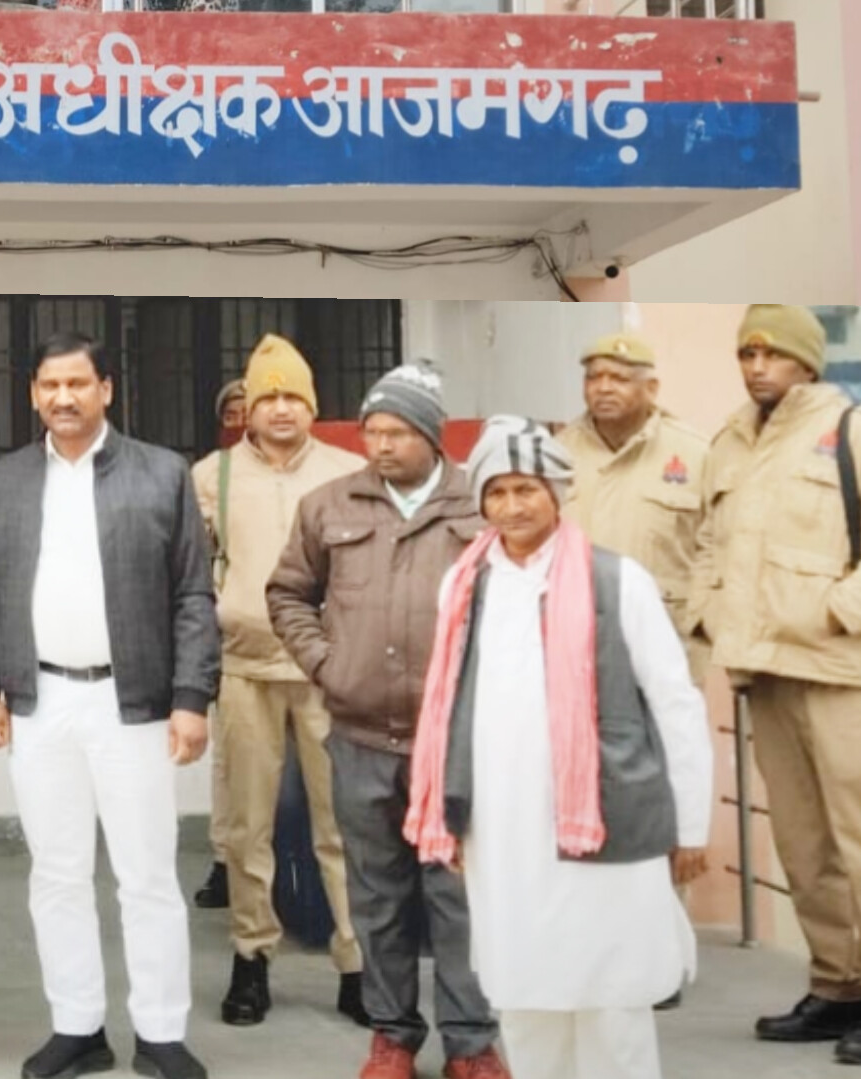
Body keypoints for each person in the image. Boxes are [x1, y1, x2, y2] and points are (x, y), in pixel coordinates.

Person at [405, 416, 714, 1079]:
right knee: (523, 996)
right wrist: (450, 817)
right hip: (502, 830)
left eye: (526, 489)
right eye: (497, 492)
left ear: (556, 492)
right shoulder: (464, 586)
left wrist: (690, 824)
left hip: (605, 820)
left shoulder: (617, 580)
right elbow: (450, 706)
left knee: (612, 999)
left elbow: (676, 703)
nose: (511, 507)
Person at [691, 305, 861, 1066]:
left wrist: (840, 610)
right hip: (764, 671)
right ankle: (838, 987)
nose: (756, 367)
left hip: (840, 670)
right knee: (803, 845)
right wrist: (709, 613)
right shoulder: (728, 442)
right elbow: (707, 543)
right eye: (746, 354)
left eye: (772, 353)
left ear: (807, 360)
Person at [0, 332, 219, 1079]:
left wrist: (192, 696)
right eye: (49, 385)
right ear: (33, 394)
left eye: (77, 383)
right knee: (56, 873)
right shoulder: (9, 478)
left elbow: (193, 593)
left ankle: (161, 1031)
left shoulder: (160, 472)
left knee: (147, 874)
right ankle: (77, 1026)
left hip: (132, 702)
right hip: (40, 702)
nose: (63, 398)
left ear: (107, 389)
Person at [267, 362, 507, 1079]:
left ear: (431, 435)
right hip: (362, 735)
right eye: (372, 431)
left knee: (459, 894)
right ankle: (393, 1035)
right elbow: (287, 593)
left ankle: (472, 1042)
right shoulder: (328, 505)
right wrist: (328, 664)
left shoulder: (481, 504)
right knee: (378, 896)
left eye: (397, 432)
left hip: (455, 741)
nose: (381, 445)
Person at [191, 336, 368, 1029]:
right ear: (249, 408)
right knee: (247, 827)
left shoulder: (350, 472)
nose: (282, 408)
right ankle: (251, 958)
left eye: (294, 396)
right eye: (269, 397)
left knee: (341, 823)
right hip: (245, 670)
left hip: (329, 671)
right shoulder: (212, 476)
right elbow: (192, 570)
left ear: (313, 405)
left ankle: (356, 963)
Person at [556, 330, 710, 1010]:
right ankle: (595, 947)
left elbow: (720, 545)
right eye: (595, 377)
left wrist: (702, 621)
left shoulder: (694, 454)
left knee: (658, 800)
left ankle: (661, 954)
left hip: (664, 650)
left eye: (619, 377)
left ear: (651, 386)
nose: (603, 388)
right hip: (574, 653)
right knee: (583, 792)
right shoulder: (559, 451)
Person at [196, 376, 246, 912]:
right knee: (229, 758)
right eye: (231, 414)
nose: (242, 421)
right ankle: (226, 860)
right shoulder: (211, 474)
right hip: (232, 633)